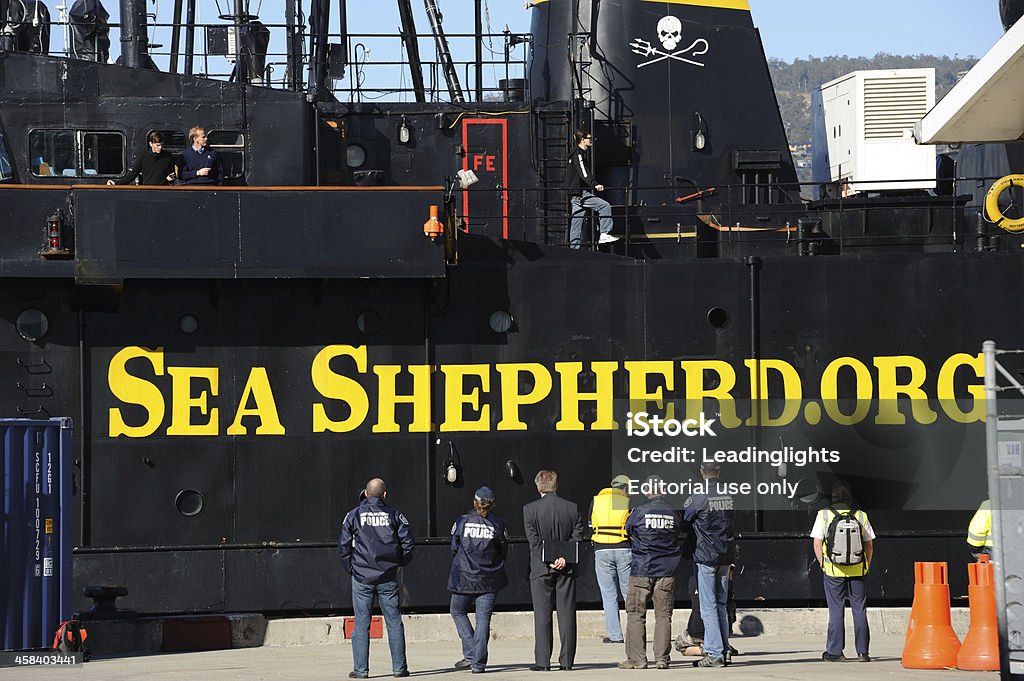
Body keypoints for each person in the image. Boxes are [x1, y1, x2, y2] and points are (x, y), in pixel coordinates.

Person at [339, 478, 414, 679]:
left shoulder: (353, 515)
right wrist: (399, 564)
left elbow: (344, 546)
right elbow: (408, 543)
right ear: (385, 495)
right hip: (388, 576)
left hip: (362, 576)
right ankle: (399, 669)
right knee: (394, 622)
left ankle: (361, 670)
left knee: (362, 624)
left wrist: (352, 569)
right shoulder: (395, 515)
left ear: (365, 493)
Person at [618, 479, 683, 670]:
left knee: (636, 614)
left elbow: (627, 529)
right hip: (667, 570)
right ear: (665, 490)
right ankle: (662, 659)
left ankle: (637, 659)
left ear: (646, 491)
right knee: (664, 616)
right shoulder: (674, 512)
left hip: (641, 569)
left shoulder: (638, 511)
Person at [523, 469, 584, 671]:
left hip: (541, 569)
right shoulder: (572, 508)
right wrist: (563, 559)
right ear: (556, 486)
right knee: (567, 615)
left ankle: (543, 661)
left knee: (542, 615)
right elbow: (577, 539)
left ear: (538, 486)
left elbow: (534, 542)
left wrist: (548, 560)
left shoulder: (530, 509)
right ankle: (567, 661)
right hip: (566, 569)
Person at [810, 480, 875, 663]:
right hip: (858, 569)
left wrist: (824, 564)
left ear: (834, 497)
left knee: (836, 610)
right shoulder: (861, 516)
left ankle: (835, 652)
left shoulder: (824, 515)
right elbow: (869, 545)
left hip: (833, 570)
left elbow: (817, 543)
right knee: (859, 609)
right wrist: (866, 565)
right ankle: (863, 652)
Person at [448, 486, 510, 674]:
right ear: (493, 504)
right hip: (489, 580)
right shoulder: (498, 524)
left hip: (464, 579)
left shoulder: (462, 521)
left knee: (457, 611)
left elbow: (453, 547)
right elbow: (503, 550)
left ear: (474, 502)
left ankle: (471, 653)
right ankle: (478, 663)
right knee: (483, 621)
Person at [684, 462, 736, 668]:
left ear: (701, 473)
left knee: (708, 606)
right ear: (719, 473)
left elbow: (685, 517)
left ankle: (714, 653)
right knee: (722, 604)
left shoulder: (700, 496)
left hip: (706, 556)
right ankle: (724, 650)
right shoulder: (730, 495)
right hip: (725, 554)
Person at [589, 474, 632, 645]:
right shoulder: (627, 502)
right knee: (629, 594)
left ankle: (615, 636)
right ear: (625, 488)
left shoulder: (596, 501)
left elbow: (591, 525)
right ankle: (634, 634)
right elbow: (632, 526)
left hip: (601, 550)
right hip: (623, 549)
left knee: (608, 596)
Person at [565, 129, 617, 249]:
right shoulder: (578, 154)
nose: (591, 140)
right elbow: (583, 172)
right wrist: (595, 184)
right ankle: (604, 233)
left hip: (574, 192)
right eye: (589, 138)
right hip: (579, 192)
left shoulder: (575, 154)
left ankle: (574, 249)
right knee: (604, 206)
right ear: (583, 140)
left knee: (576, 221)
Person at [106, 130, 176, 186]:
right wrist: (116, 183)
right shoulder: (144, 157)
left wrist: (169, 179)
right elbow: (133, 174)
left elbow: (172, 175)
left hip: (163, 192)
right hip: (147, 191)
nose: (160, 148)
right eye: (157, 145)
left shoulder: (168, 157)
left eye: (161, 145)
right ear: (151, 144)